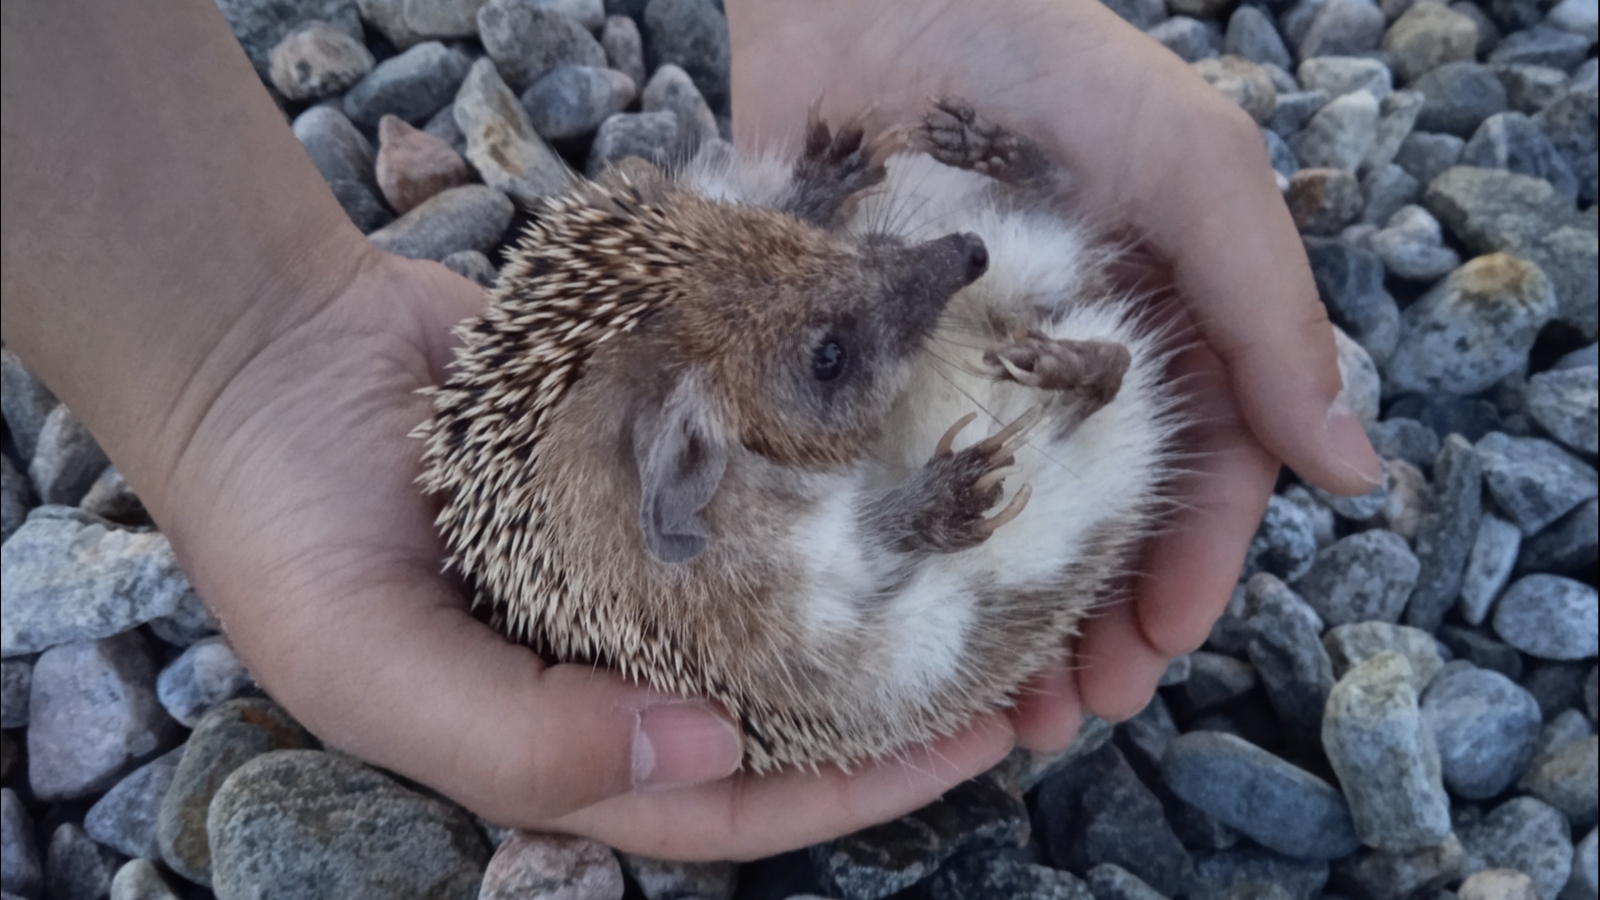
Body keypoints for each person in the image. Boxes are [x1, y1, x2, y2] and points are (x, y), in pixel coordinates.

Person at [1, 0, 1382, 860]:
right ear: (688, 473)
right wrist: (237, 356)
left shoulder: (755, 294)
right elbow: (834, 603)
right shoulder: (726, 555)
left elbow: (804, 281)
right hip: (823, 552)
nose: (937, 269)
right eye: (832, 351)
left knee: (927, 300)